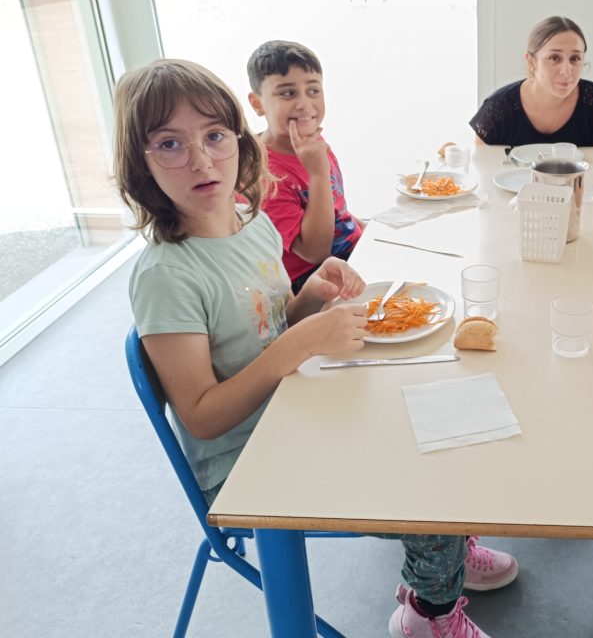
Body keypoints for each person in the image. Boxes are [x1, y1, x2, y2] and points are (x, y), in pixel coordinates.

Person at [114, 59, 517, 638]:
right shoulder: (165, 277)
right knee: (435, 491)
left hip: (295, 408)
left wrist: (311, 295)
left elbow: (271, 321)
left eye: (214, 136)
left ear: (237, 136)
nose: (202, 160)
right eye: (170, 144)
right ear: (140, 164)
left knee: (437, 416)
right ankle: (429, 610)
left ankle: (438, 563)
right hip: (250, 464)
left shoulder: (249, 220)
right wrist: (300, 341)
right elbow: (202, 416)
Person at [247, 40, 362, 294]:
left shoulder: (310, 142)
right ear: (257, 103)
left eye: (313, 91)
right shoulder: (262, 173)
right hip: (311, 281)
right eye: (288, 93)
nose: (304, 104)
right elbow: (314, 253)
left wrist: (370, 232)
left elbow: (338, 213)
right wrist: (318, 173)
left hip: (352, 255)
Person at [469, 16, 593, 147]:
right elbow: (482, 167)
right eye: (555, 58)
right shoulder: (498, 108)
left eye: (575, 58)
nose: (566, 70)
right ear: (531, 62)